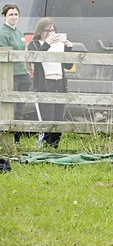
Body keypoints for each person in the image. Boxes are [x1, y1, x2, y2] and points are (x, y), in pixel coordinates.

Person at [28, 18, 72, 148]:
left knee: (58, 119)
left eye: (52, 30)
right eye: (47, 30)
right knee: (47, 118)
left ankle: (54, 147)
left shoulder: (59, 45)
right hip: (45, 84)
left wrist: (68, 48)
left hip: (59, 83)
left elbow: (68, 65)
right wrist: (47, 43)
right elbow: (36, 58)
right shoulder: (35, 44)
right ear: (40, 31)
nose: (50, 33)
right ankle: (44, 147)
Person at [0, 4, 33, 142]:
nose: (14, 17)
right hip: (11, 74)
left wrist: (29, 66)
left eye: (16, 14)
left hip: (23, 73)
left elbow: (24, 52)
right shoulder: (3, 33)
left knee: (20, 107)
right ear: (4, 16)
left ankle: (16, 138)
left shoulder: (19, 33)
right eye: (11, 14)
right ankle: (7, 138)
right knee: (9, 107)